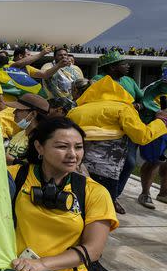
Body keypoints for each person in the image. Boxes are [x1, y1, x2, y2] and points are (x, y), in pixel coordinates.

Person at [0, 117, 118, 271]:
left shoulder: (94, 193)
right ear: (39, 147)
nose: (73, 154)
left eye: (78, 147)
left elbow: (94, 249)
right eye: (62, 146)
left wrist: (42, 264)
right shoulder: (14, 176)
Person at [68, 75, 167, 215]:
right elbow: (142, 136)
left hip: (76, 167)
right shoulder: (123, 109)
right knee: (99, 212)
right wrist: (161, 121)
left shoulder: (76, 111)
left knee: (76, 206)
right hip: (107, 171)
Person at [91, 51, 143, 209]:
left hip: (128, 128)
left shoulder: (129, 81)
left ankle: (114, 195)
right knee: (107, 166)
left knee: (129, 163)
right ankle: (103, 196)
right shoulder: (99, 80)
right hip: (108, 130)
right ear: (113, 67)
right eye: (123, 63)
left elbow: (142, 99)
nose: (127, 66)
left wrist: (139, 106)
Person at [136, 63, 167, 208]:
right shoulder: (155, 87)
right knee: (154, 161)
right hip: (157, 128)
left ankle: (164, 193)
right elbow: (147, 102)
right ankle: (145, 193)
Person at [4, 94, 50, 165]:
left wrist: (13, 161)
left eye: (19, 110)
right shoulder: (20, 133)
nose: (14, 112)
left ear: (33, 114)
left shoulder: (42, 140)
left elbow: (40, 169)